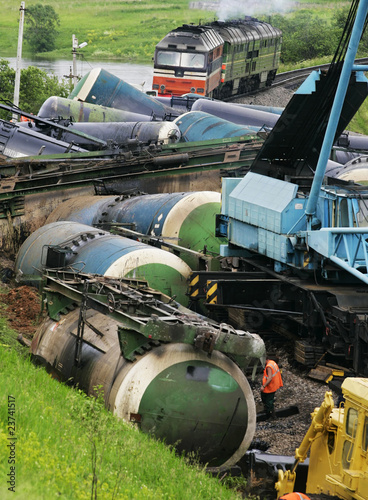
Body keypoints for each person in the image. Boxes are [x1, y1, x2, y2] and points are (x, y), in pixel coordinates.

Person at [261, 352, 283, 419]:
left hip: (270, 386)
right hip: (274, 384)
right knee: (266, 398)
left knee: (269, 401)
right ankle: (268, 411)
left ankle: (272, 415)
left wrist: (263, 386)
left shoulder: (269, 367)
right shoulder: (272, 362)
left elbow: (270, 378)